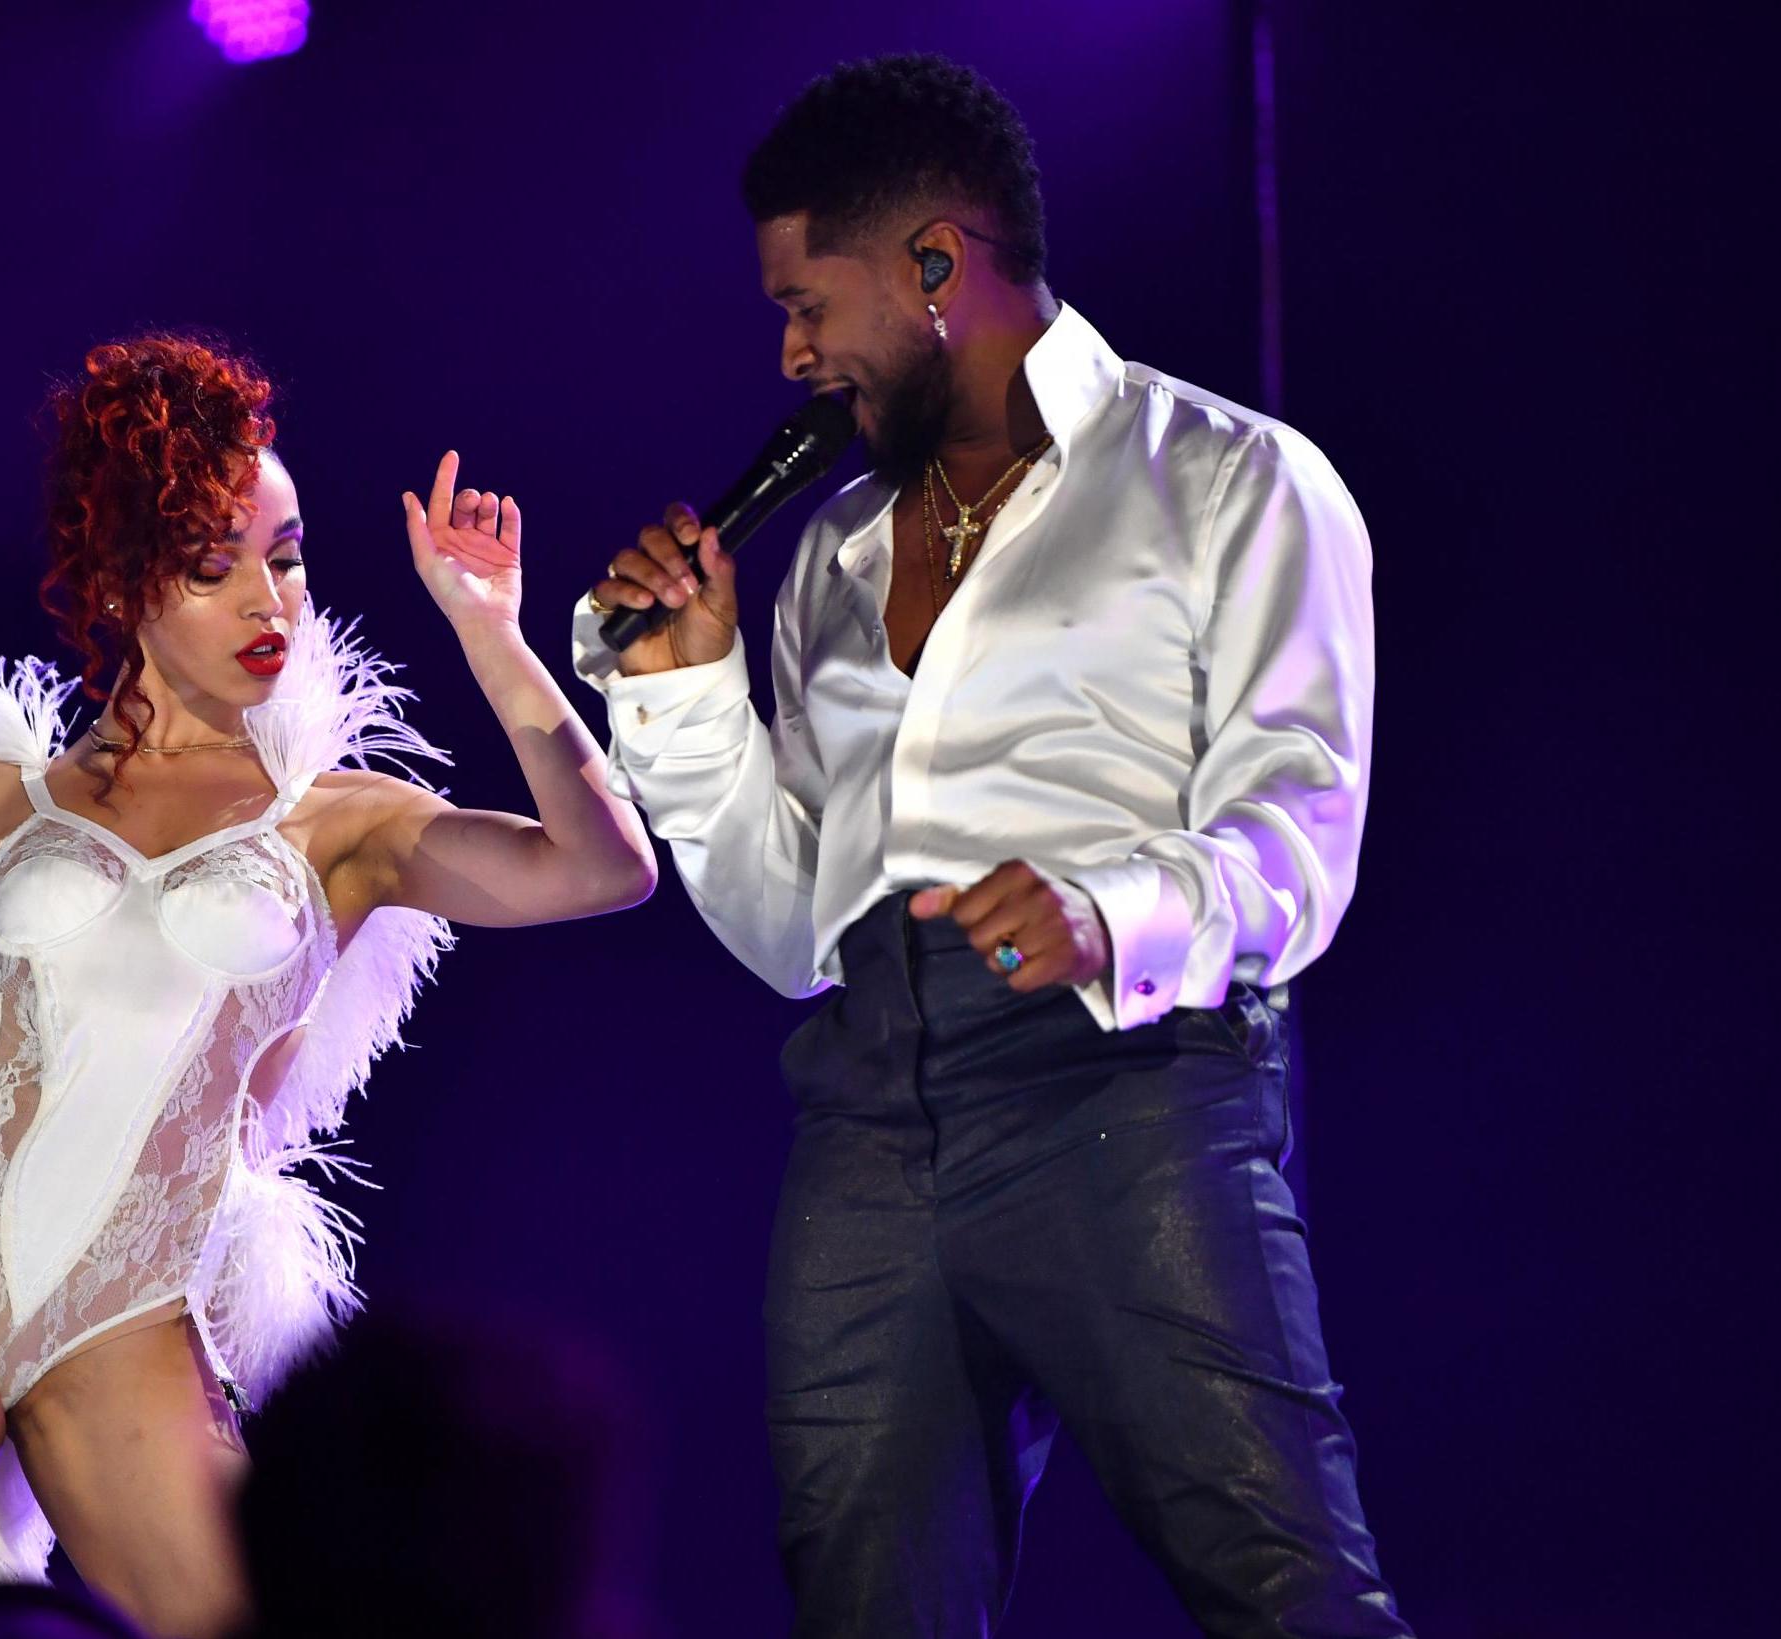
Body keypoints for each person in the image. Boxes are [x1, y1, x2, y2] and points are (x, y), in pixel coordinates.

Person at [0, 333, 657, 1639]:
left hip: (133, 1293)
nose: (267, 605)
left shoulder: (337, 825)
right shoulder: (0, 798)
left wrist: (491, 636)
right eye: (212, 565)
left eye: (285, 557)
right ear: (123, 581)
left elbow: (602, 869)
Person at [574, 54, 1410, 1639]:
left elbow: (1299, 831)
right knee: (862, 1603)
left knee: (1284, 1589)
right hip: (867, 1113)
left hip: (1122, 1096)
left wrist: (1104, 910)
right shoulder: (826, 553)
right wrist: (683, 702)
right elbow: (785, 929)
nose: (790, 353)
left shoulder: (1228, 482)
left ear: (937, 267)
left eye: (808, 307)